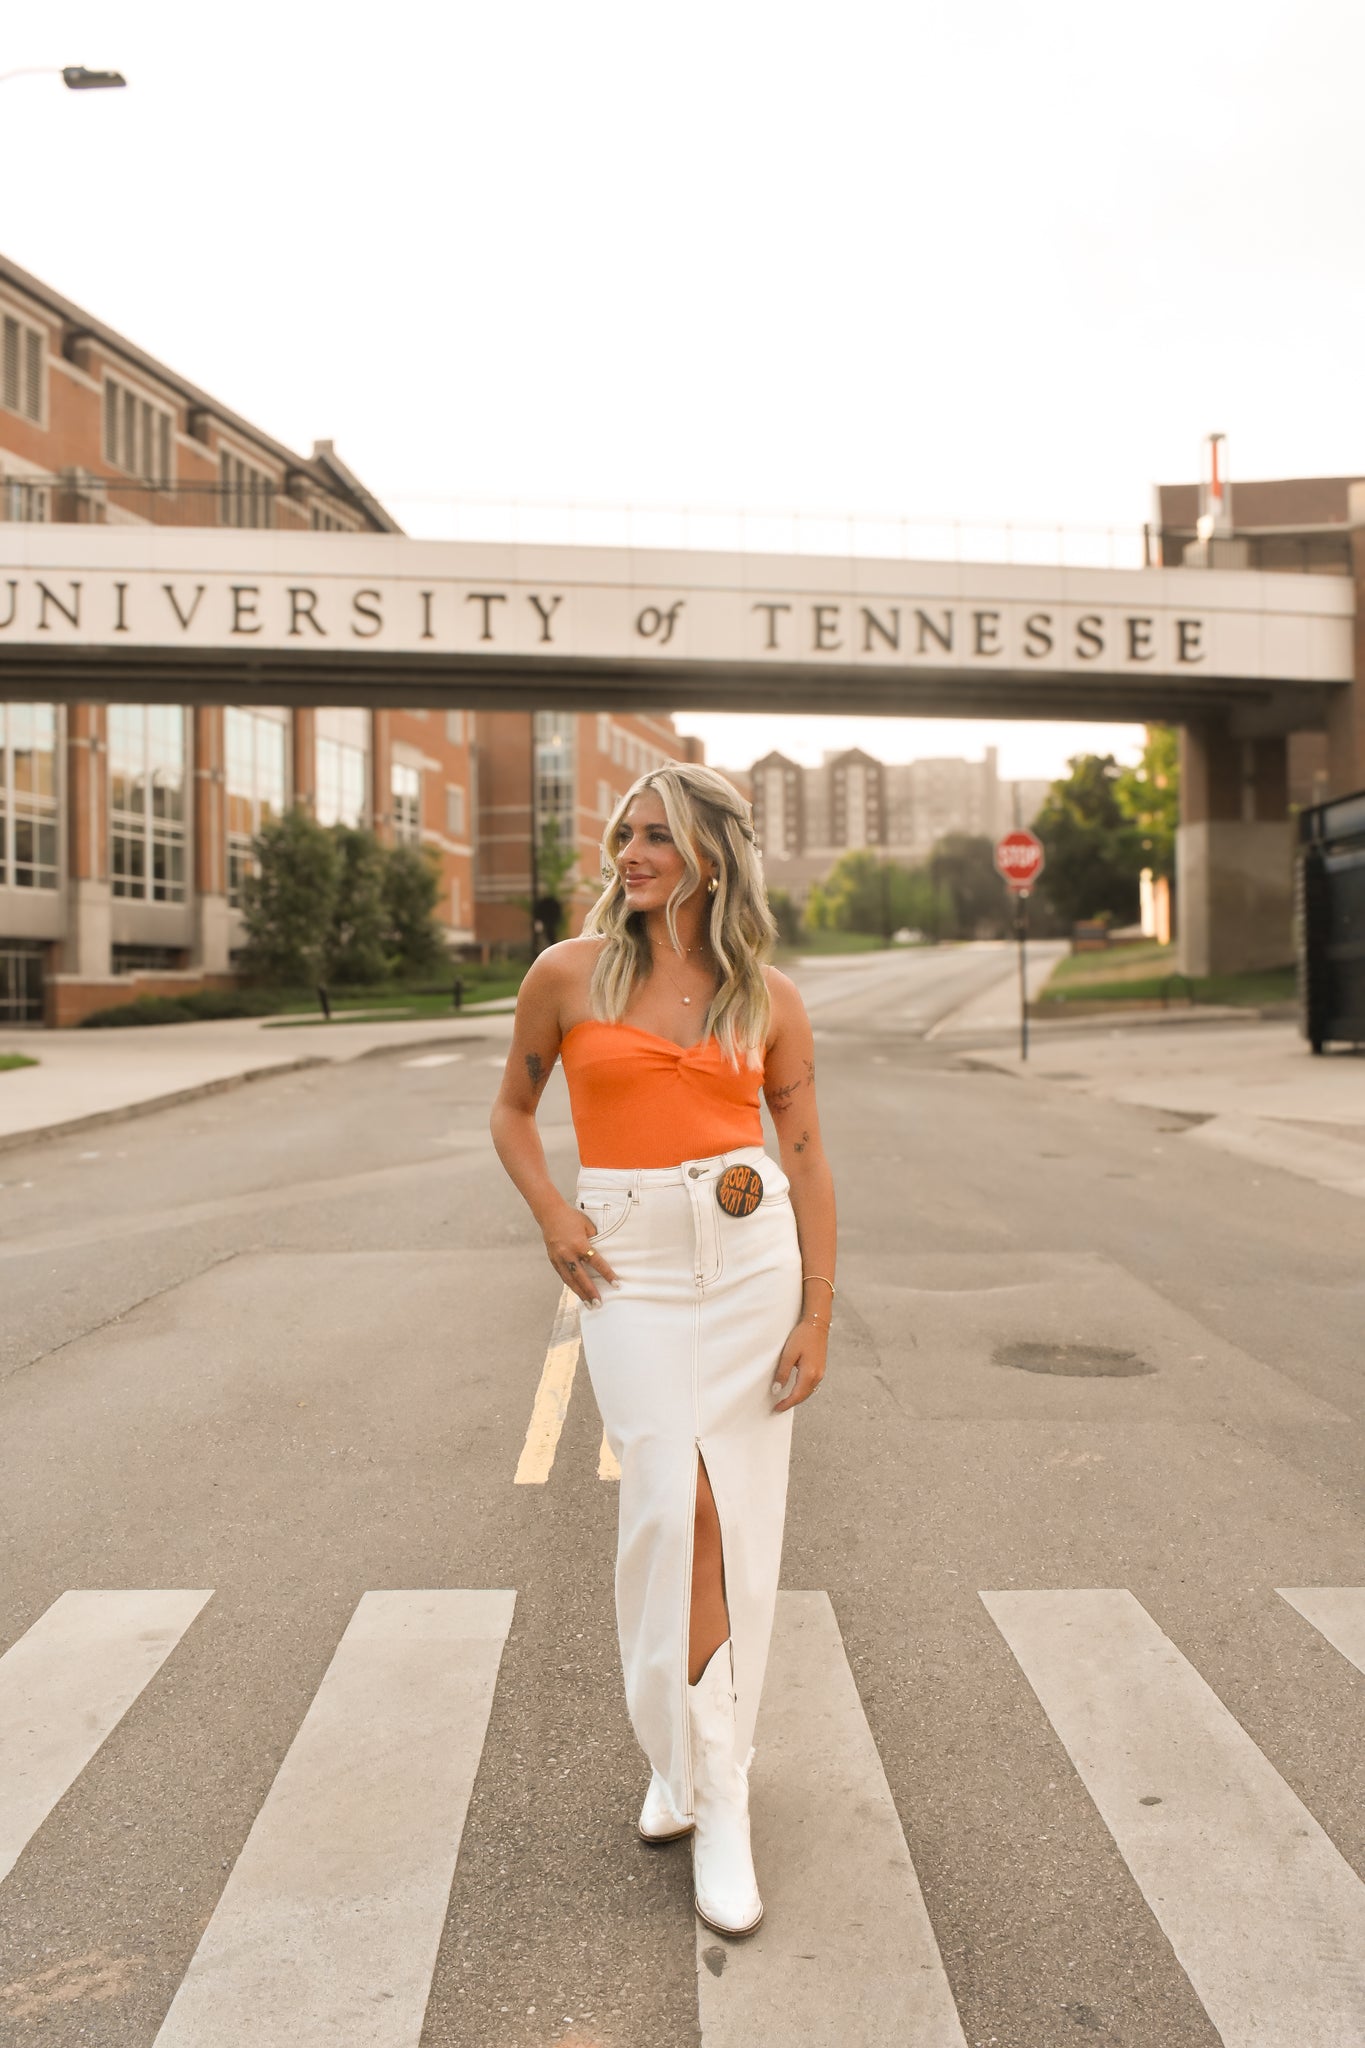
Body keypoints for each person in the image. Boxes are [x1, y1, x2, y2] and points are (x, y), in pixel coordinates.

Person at [489, 761, 836, 1938]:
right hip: (629, 1266)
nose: (627, 853)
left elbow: (807, 1157)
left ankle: (715, 1790)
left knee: (728, 1514)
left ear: (711, 855)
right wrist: (552, 1210)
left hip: (749, 1258)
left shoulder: (768, 998)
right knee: (664, 1505)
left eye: (654, 836)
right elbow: (512, 1109)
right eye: (623, 833)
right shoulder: (569, 974)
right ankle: (676, 1749)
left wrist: (818, 1311)